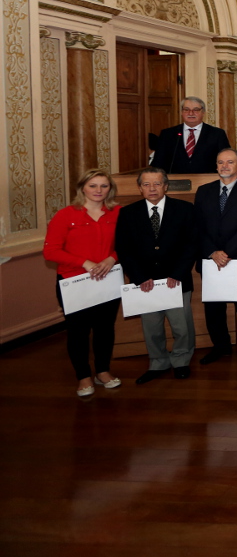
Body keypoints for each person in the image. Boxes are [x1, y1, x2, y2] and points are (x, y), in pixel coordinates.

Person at [114, 167, 198, 385]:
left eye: (157, 183)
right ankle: (158, 362)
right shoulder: (127, 213)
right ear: (140, 188)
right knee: (151, 328)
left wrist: (178, 273)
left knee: (182, 326)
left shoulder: (185, 209)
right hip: (146, 282)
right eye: (147, 184)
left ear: (166, 186)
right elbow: (124, 249)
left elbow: (191, 245)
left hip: (176, 280)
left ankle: (181, 360)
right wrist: (139, 277)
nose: (152, 188)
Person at [43, 169, 122, 397]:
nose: (98, 191)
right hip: (73, 280)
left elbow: (129, 243)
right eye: (93, 186)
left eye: (104, 186)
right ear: (82, 189)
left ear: (110, 189)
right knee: (78, 332)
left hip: (107, 279)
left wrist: (112, 258)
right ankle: (83, 376)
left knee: (105, 329)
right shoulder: (65, 215)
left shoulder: (118, 213)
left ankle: (103, 371)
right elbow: (50, 251)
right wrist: (84, 262)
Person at [194, 148, 237, 366]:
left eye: (230, 162)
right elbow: (197, 226)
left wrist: (228, 253)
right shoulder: (203, 191)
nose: (224, 166)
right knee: (214, 308)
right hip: (211, 259)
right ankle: (220, 347)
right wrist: (212, 252)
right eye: (220, 162)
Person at [150, 96, 231, 173]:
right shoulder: (167, 134)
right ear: (181, 112)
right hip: (176, 182)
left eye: (196, 110)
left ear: (203, 112)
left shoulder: (217, 134)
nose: (191, 113)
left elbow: (226, 159)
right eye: (186, 109)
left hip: (208, 181)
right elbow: (158, 162)